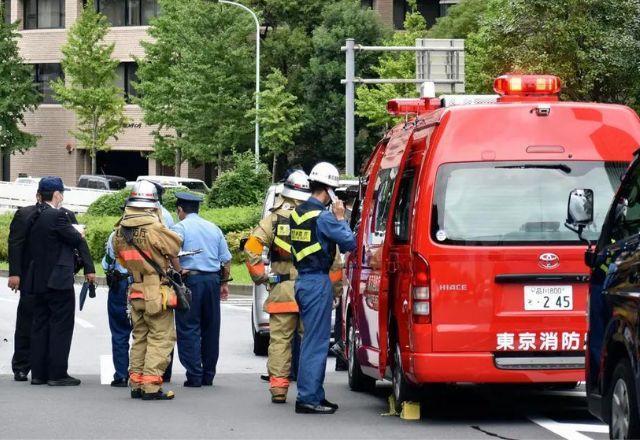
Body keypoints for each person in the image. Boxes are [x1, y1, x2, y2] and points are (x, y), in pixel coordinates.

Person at [290, 162, 356, 414]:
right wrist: (340, 218)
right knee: (316, 343)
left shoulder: (298, 213)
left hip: (303, 280)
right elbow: (349, 242)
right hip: (317, 282)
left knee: (311, 340)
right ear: (329, 191)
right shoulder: (324, 217)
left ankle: (315, 393)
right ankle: (308, 397)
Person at [244, 171, 310, 403]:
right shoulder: (317, 216)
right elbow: (333, 258)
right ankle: (310, 388)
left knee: (280, 341)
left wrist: (261, 277)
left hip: (281, 289)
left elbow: (251, 247)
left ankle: (279, 390)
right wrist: (333, 291)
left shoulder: (274, 219)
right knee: (311, 340)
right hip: (310, 289)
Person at [112, 180, 182, 400]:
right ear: (153, 204)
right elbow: (174, 247)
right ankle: (151, 386)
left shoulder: (120, 231)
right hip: (155, 290)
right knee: (160, 338)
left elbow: (121, 259)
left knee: (139, 337)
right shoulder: (154, 227)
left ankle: (136, 384)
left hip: (135, 290)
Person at [23, 177, 95, 386]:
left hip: (38, 279)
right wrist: (78, 232)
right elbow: (75, 239)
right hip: (58, 279)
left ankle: (38, 373)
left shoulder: (33, 215)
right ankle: (57, 373)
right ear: (56, 194)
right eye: (61, 193)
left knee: (40, 325)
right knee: (61, 325)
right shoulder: (57, 216)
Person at [171, 192, 232, 387]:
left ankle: (194, 375)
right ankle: (208, 374)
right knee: (211, 327)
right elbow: (226, 259)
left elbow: (171, 253)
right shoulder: (213, 228)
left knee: (188, 326)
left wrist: (179, 271)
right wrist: (223, 282)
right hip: (213, 281)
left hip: (191, 281)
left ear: (180, 210)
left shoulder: (179, 228)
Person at [102, 229, 132, 387]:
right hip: (147, 285)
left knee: (120, 331)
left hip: (120, 284)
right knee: (145, 332)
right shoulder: (152, 231)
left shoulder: (116, 235)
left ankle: (121, 375)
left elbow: (107, 263)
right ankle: (143, 374)